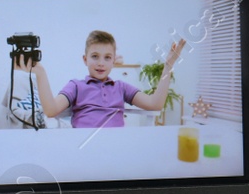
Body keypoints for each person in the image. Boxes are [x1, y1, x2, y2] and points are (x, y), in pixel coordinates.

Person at [17, 31, 185, 129]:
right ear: (85, 59)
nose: (100, 63)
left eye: (107, 58)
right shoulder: (76, 86)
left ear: (113, 61)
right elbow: (51, 110)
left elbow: (154, 104)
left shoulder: (121, 87)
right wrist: (40, 72)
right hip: (84, 148)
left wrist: (168, 65)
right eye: (95, 56)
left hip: (116, 148)